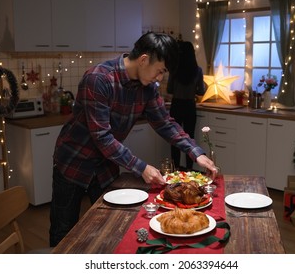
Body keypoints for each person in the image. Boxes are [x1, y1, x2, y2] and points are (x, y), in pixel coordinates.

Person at [49, 32, 218, 247]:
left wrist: (197, 153)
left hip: (106, 165)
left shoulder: (148, 89)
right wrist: (142, 167)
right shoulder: (98, 79)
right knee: (64, 232)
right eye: (160, 71)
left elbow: (165, 123)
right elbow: (102, 138)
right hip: (73, 162)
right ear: (144, 59)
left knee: (110, 227)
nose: (159, 78)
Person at [167, 41, 205, 170]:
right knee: (190, 138)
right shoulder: (197, 70)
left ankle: (175, 168)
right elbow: (201, 91)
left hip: (176, 105)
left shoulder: (174, 70)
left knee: (175, 138)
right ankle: (189, 169)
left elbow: (169, 89)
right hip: (190, 105)